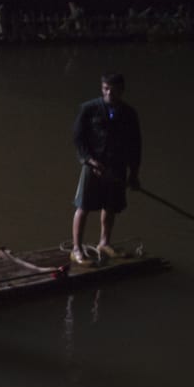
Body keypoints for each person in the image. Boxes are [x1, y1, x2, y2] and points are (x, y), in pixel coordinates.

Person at [72, 72, 142, 265]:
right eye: (105, 88)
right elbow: (78, 138)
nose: (109, 92)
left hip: (117, 167)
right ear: (102, 88)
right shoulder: (89, 109)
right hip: (94, 165)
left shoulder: (129, 113)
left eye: (113, 89)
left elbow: (135, 145)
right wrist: (88, 160)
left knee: (111, 205)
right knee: (83, 206)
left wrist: (134, 173)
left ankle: (104, 243)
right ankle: (77, 249)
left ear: (122, 90)